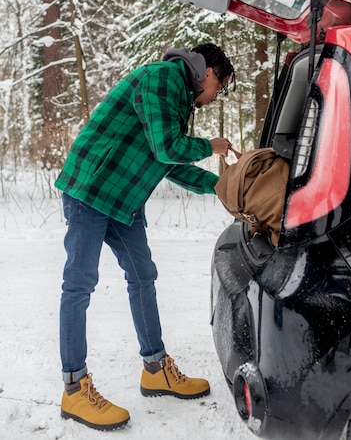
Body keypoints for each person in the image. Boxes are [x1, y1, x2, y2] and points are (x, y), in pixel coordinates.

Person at [55, 43, 235, 431]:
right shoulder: (162, 77)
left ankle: (155, 369)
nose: (213, 97)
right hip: (91, 188)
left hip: (122, 199)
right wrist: (211, 146)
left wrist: (221, 187)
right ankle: (74, 389)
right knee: (80, 284)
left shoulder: (179, 98)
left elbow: (167, 162)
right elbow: (169, 147)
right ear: (208, 71)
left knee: (143, 276)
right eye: (218, 87)